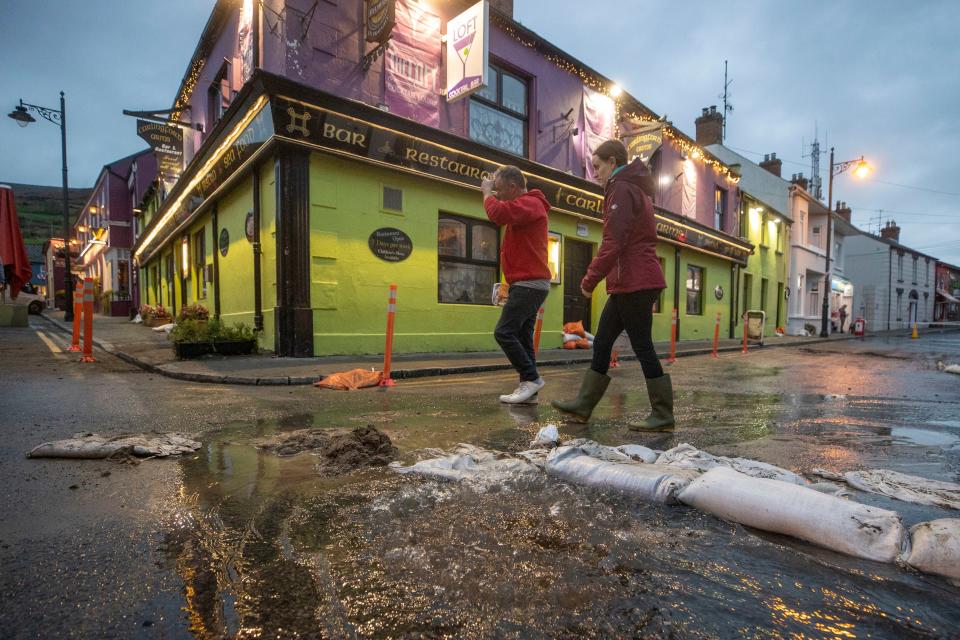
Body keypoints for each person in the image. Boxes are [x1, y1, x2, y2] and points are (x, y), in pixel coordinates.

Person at [552, 139, 673, 430]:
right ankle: (584, 404)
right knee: (603, 342)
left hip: (635, 280)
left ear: (612, 162)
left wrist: (590, 279)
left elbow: (614, 242)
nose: (595, 173)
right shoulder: (631, 187)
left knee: (642, 345)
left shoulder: (620, 187)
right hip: (629, 282)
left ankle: (663, 414)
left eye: (597, 166)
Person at [481, 165, 551, 404]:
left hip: (530, 284)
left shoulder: (531, 204)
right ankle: (530, 389)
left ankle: (531, 379)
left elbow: (497, 214)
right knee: (522, 335)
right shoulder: (525, 209)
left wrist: (486, 193)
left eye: (499, 189)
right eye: (494, 191)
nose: (497, 194)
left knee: (504, 332)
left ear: (513, 186)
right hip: (527, 283)